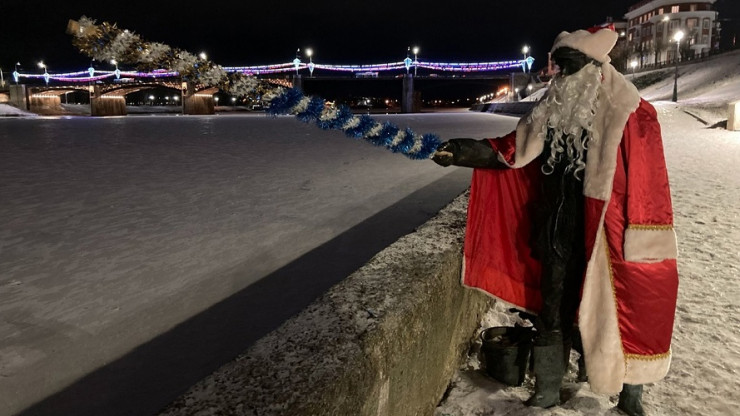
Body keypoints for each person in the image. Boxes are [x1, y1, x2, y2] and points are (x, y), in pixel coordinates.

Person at [432, 28, 679, 416]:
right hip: (557, 230)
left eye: (569, 66)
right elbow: (512, 149)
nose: (561, 75)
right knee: (552, 307)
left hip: (607, 236)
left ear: (594, 67)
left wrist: (644, 238)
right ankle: (548, 387)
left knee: (625, 310)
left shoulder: (632, 113)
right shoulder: (552, 108)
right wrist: (461, 150)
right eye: (559, 67)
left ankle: (632, 394)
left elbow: (650, 187)